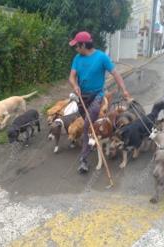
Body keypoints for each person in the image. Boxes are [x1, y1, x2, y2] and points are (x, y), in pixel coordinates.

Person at [68, 31, 131, 174]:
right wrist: (75, 86)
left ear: (83, 45)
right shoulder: (77, 58)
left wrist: (124, 90)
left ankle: (83, 160)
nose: (75, 48)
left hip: (97, 96)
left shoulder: (102, 57)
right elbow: (71, 77)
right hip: (82, 98)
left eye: (76, 46)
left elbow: (116, 74)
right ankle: (98, 139)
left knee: (86, 125)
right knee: (91, 126)